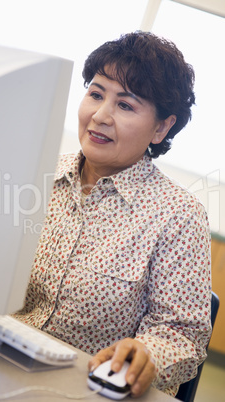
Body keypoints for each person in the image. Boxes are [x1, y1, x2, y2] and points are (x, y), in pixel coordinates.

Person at [14, 31, 212, 398]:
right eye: (96, 94)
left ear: (162, 127)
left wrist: (148, 354)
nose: (100, 116)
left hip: (92, 389)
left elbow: (182, 334)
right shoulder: (36, 179)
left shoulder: (178, 215)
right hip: (3, 360)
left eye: (126, 105)